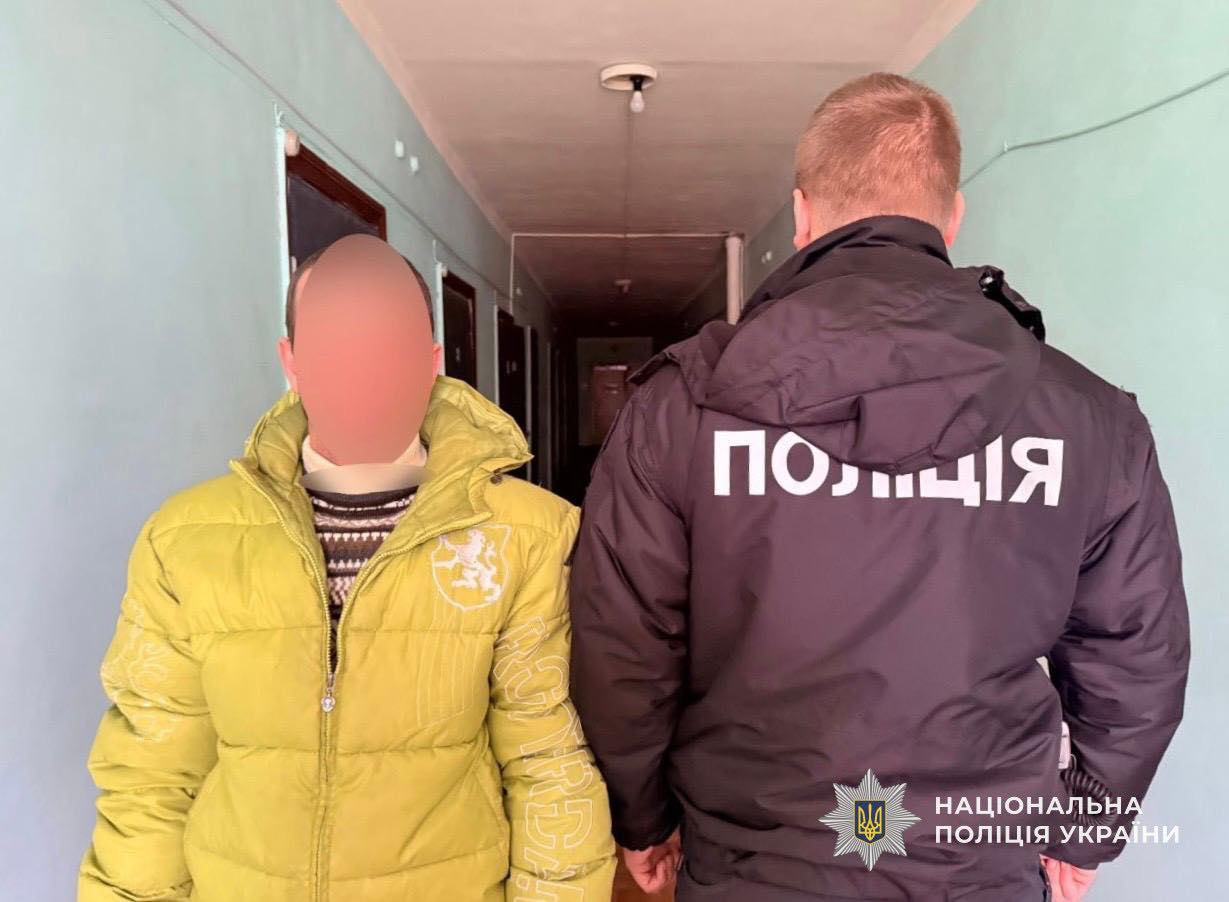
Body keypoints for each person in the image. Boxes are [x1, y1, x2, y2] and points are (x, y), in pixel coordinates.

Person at [568, 73, 1189, 901]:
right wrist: (1086, 828)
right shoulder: (1089, 418)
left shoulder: (680, 409)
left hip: (755, 865)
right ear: (951, 217)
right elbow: (1137, 658)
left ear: (800, 216)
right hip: (974, 871)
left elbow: (623, 648)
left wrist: (641, 818)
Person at [79, 235, 615, 900]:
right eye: (336, 346)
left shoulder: (526, 536)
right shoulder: (185, 541)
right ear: (291, 361)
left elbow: (550, 766)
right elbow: (149, 778)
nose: (364, 375)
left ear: (431, 363)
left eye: (388, 347)